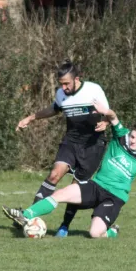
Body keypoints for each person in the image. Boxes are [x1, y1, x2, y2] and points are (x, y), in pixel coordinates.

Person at [4, 100, 136, 238]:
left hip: (115, 197)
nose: (133, 141)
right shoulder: (122, 136)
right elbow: (114, 117)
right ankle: (25, 214)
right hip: (97, 186)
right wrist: (106, 111)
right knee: (61, 194)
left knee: (94, 233)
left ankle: (112, 231)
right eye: (133, 136)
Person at [15, 59, 109, 237]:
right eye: (61, 84)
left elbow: (108, 113)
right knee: (54, 174)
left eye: (67, 83)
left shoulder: (93, 89)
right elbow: (53, 109)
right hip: (71, 141)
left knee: (75, 188)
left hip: (93, 145)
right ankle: (28, 217)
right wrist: (30, 118)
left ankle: (65, 225)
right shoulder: (61, 94)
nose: (64, 88)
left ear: (77, 78)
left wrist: (105, 121)